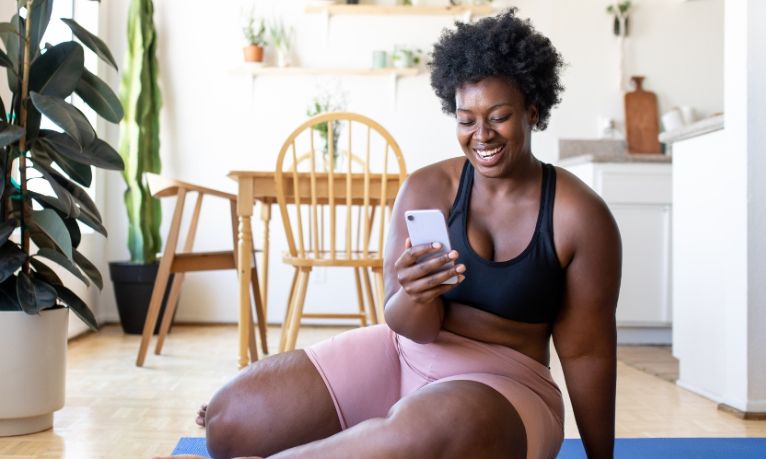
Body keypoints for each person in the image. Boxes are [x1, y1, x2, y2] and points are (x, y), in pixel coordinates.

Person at [159, 9, 620, 459]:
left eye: (498, 116)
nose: (481, 135)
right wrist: (416, 296)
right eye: (465, 119)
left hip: (503, 391)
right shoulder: (427, 188)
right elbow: (409, 326)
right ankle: (383, 435)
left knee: (437, 428)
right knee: (230, 424)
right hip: (402, 354)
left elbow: (587, 355)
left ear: (532, 112)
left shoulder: (578, 216)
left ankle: (388, 436)